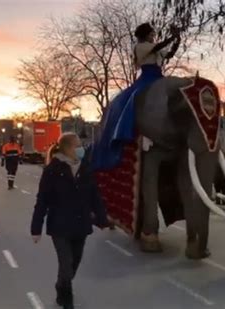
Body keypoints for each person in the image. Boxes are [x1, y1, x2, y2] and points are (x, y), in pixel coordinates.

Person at [31, 133, 108, 309]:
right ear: (67, 148)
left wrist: (102, 219)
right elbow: (42, 200)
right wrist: (36, 228)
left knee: (74, 263)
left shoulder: (86, 168)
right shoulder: (52, 171)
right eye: (78, 145)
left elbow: (94, 196)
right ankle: (66, 300)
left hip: (80, 225)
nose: (81, 149)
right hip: (60, 226)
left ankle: (61, 285)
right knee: (66, 265)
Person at [92, 23, 181, 170]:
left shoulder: (154, 48)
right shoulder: (141, 47)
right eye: (152, 34)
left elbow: (169, 54)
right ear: (145, 35)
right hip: (147, 77)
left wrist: (177, 40)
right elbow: (157, 47)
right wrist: (172, 37)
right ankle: (131, 128)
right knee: (134, 98)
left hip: (159, 77)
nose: (153, 36)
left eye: (154, 35)